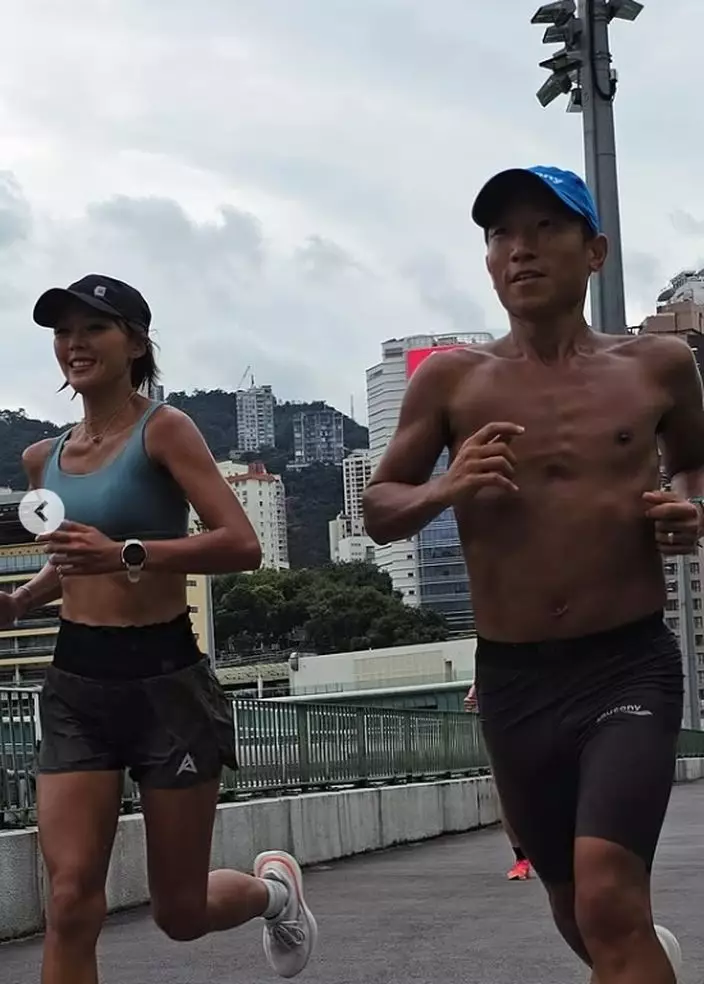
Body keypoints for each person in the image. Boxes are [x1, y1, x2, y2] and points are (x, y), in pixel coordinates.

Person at [362, 166, 700, 984]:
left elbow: (697, 463)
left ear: (595, 251)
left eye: (545, 228)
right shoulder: (452, 378)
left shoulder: (658, 365)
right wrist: (445, 487)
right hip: (514, 681)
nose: (521, 249)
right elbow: (378, 507)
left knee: (609, 898)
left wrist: (692, 507)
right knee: (574, 907)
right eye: (501, 234)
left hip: (626, 664)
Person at [0, 274, 318, 984]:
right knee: (69, 901)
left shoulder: (164, 430)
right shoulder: (41, 458)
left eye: (94, 328)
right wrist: (20, 601)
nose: (75, 343)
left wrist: (127, 553)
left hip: (167, 683)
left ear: (136, 343)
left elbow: (241, 545)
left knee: (178, 910)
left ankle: (273, 894)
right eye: (63, 332)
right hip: (78, 683)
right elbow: (72, 562)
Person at [463, 683, 531, 881]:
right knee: (506, 791)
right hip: (500, 717)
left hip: (535, 712)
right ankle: (521, 859)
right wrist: (475, 690)